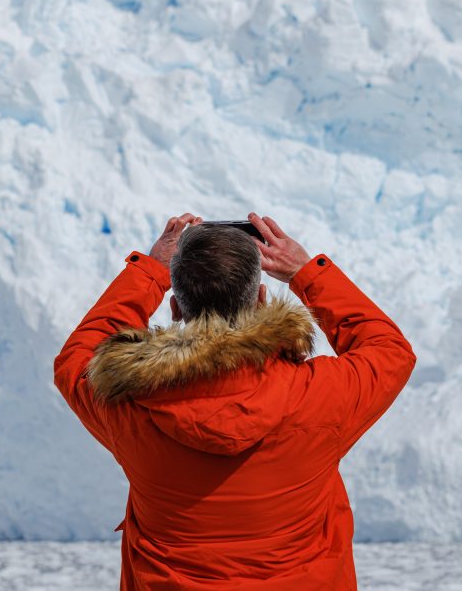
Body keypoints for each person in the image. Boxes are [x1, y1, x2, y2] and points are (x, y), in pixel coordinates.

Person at [54, 211, 417, 589]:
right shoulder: (320, 396)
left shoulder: (129, 408)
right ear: (260, 299)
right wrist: (305, 273)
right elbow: (390, 351)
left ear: (176, 309)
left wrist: (151, 272)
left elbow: (76, 359)